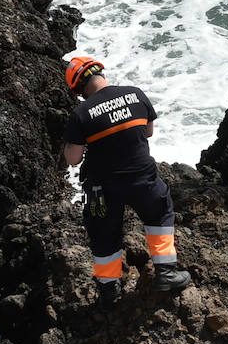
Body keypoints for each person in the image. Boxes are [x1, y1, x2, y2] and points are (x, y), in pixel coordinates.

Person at [62, 56, 191, 304]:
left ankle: (109, 289)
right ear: (100, 72)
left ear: (78, 89)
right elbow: (148, 131)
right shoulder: (135, 94)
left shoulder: (81, 114)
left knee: (104, 234)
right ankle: (166, 273)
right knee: (160, 213)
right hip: (143, 178)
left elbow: (73, 159)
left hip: (104, 187)